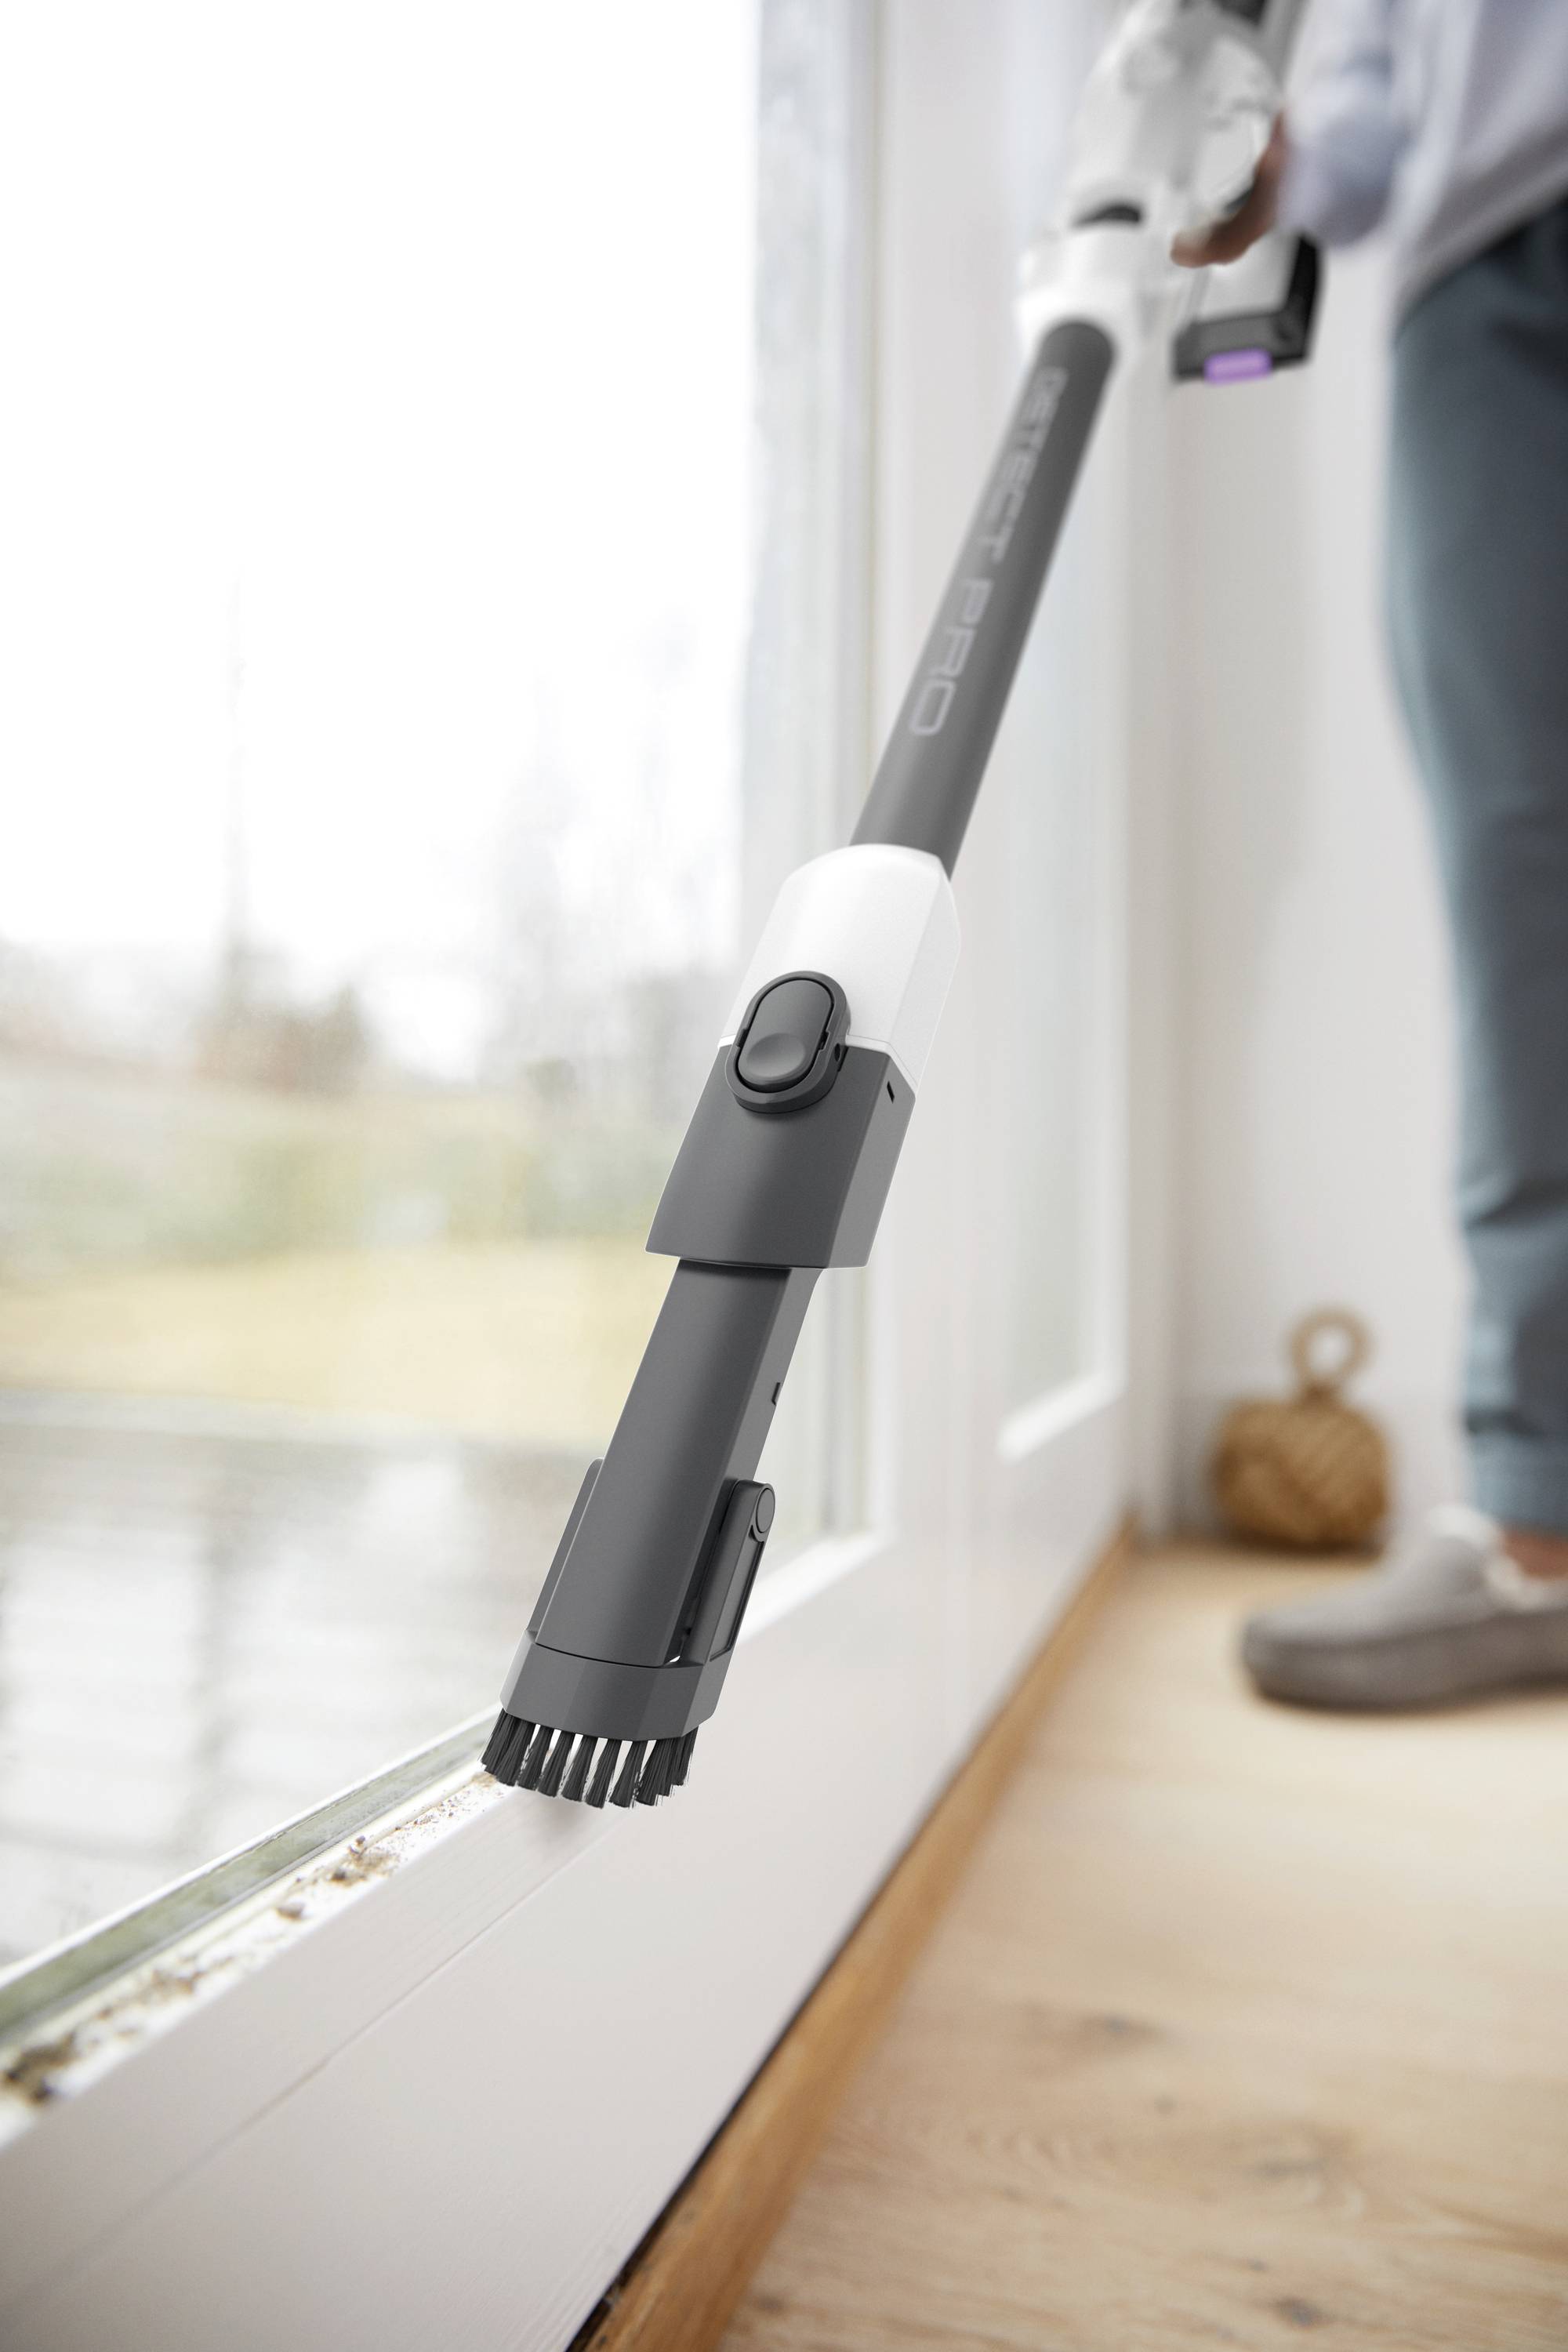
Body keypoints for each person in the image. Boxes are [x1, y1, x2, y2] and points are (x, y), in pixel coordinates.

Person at [1174, 0, 1568, 1708]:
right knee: (1526, 879)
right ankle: (1548, 1524)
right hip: (1497, 273)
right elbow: (1368, 119)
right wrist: (1257, 164)